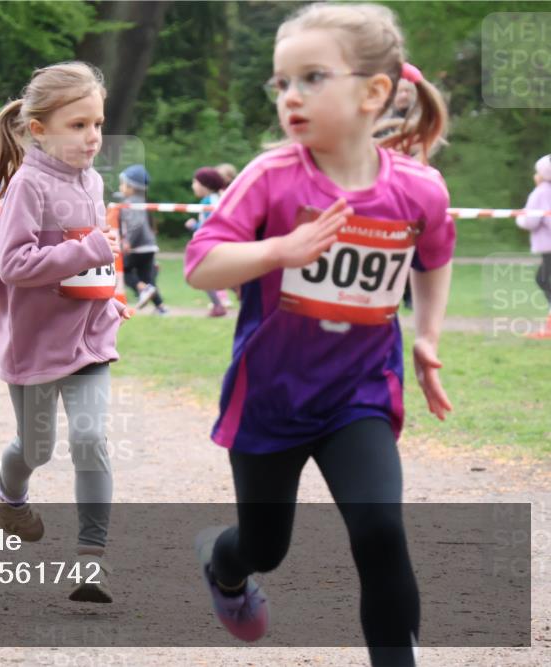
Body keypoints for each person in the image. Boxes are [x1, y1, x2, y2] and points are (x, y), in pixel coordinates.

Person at [184, 4, 454, 666]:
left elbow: (436, 254)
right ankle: (225, 567)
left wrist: (427, 338)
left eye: (312, 77)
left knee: (381, 529)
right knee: (264, 546)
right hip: (271, 399)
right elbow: (201, 264)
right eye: (283, 83)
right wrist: (282, 249)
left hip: (357, 394)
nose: (292, 96)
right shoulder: (271, 176)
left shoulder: (418, 189)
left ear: (374, 92)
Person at [0, 61, 130, 603]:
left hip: (90, 338)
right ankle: (6, 489)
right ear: (38, 129)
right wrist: (93, 248)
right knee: (38, 447)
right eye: (78, 125)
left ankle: (91, 561)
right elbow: (15, 266)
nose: (93, 137)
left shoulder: (94, 179)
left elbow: (92, 260)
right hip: (35, 346)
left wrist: (110, 295)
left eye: (97, 124)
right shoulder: (28, 185)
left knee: (92, 439)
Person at [118, 164, 167, 314]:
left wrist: (128, 242)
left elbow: (137, 225)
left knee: (122, 271)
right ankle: (161, 309)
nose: (120, 187)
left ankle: (142, 289)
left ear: (131, 187)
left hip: (137, 248)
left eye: (122, 184)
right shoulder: (144, 202)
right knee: (149, 282)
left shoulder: (130, 204)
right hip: (149, 247)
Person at [184, 166, 231, 316]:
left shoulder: (209, 201)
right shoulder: (216, 198)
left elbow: (210, 224)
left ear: (205, 185)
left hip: (210, 245)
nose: (193, 186)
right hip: (216, 243)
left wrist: (195, 226)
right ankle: (220, 304)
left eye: (195, 182)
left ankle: (219, 306)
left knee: (200, 274)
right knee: (216, 275)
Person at [516, 154, 551, 339]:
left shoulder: (541, 192)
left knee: (544, 280)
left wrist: (520, 219)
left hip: (549, 247)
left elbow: (531, 220)